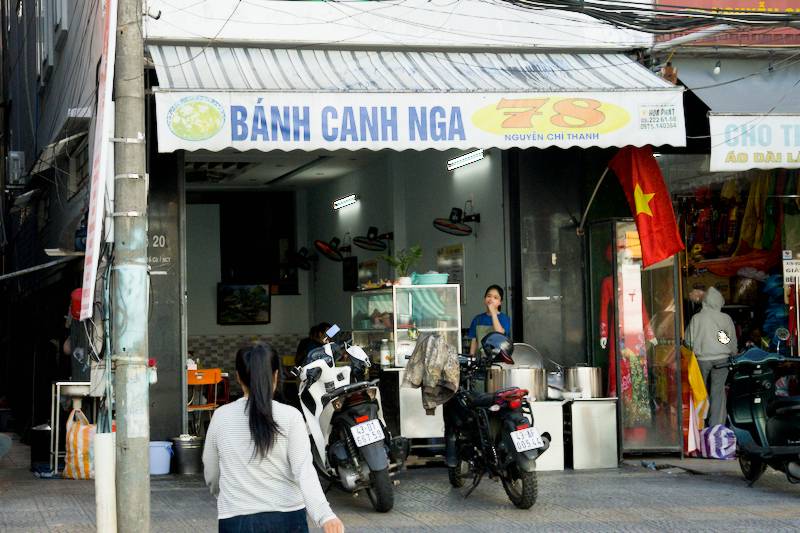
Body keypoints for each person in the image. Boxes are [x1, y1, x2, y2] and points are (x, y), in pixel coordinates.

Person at [203, 344, 344, 533]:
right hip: (287, 518)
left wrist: (227, 495)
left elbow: (212, 474)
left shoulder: (221, 417)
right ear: (276, 375)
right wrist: (324, 516)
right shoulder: (290, 416)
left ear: (238, 376)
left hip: (235, 519)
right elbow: (304, 471)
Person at [685, 287, 738, 428]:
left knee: (700, 391)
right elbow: (729, 340)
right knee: (718, 391)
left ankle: (701, 422)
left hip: (702, 360)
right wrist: (734, 353)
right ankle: (717, 426)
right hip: (722, 359)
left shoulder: (697, 318)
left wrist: (695, 349)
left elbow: (688, 341)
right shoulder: (725, 318)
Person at [468, 285, 511, 356]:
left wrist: (493, 313)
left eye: (495, 297)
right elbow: (474, 341)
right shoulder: (477, 319)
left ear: (500, 302)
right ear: (485, 299)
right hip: (481, 360)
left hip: (499, 359)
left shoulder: (504, 318)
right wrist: (471, 357)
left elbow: (500, 334)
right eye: (489, 296)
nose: (491, 299)